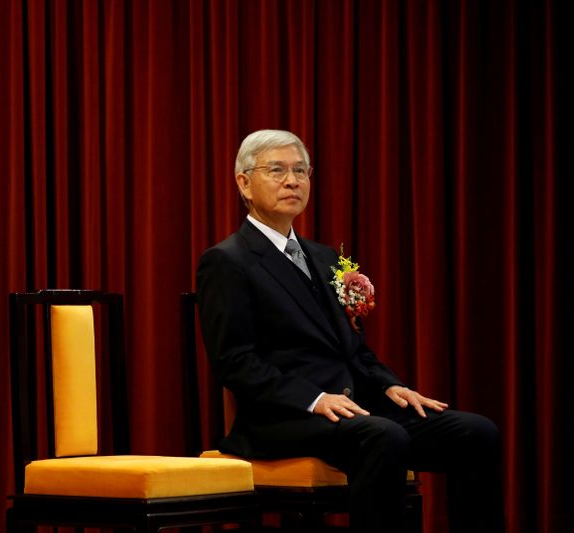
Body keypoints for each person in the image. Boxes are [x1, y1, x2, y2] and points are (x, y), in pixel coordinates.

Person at [196, 129, 504, 533]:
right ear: (244, 183)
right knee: (383, 436)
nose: (292, 181)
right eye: (277, 170)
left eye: (301, 171)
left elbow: (353, 350)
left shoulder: (325, 258)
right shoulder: (227, 261)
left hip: (353, 407)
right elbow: (235, 362)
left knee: (476, 433)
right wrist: (314, 398)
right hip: (284, 417)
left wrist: (390, 385)